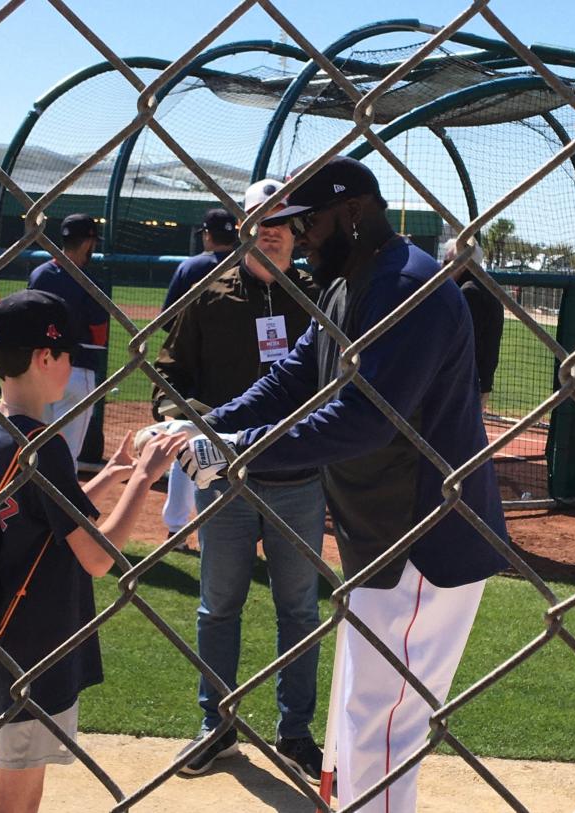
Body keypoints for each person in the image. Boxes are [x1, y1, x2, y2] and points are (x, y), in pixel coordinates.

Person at [159, 157, 509, 811]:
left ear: (353, 213)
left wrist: (234, 451)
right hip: (381, 539)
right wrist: (203, 425)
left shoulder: (406, 287)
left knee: (380, 732)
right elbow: (292, 379)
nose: (299, 240)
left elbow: (364, 420)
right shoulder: (349, 283)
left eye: (307, 224)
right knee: (360, 723)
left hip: (424, 545)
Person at [151, 179, 326, 782]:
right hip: (224, 480)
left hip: (299, 477)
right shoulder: (208, 296)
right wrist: (185, 425)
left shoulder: (317, 298)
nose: (270, 230)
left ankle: (295, 732)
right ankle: (217, 724)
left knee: (299, 610)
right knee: (218, 607)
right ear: (241, 226)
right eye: (259, 219)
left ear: (296, 229)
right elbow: (168, 375)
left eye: (281, 219)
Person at [0, 290, 184, 813]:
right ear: (44, 357)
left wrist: (109, 477)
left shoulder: (2, 430)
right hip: (35, 643)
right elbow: (97, 558)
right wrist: (143, 478)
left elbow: (44, 515)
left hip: (6, 638)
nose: (72, 367)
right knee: (18, 794)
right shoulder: (44, 446)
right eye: (67, 356)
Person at [160, 209, 237, 551]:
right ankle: (226, 534)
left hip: (195, 372)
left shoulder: (190, 267)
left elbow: (167, 321)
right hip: (240, 373)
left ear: (207, 234)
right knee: (236, 443)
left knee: (187, 440)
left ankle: (176, 529)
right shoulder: (248, 263)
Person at [27, 213, 108, 467]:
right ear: (88, 243)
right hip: (76, 371)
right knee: (65, 458)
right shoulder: (90, 282)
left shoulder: (39, 275)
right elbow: (99, 336)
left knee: (35, 450)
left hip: (39, 371)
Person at [443, 238, 504, 411]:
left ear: (463, 264)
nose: (442, 267)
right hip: (476, 381)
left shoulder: (469, 291)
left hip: (463, 382)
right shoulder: (486, 285)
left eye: (447, 262)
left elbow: (461, 344)